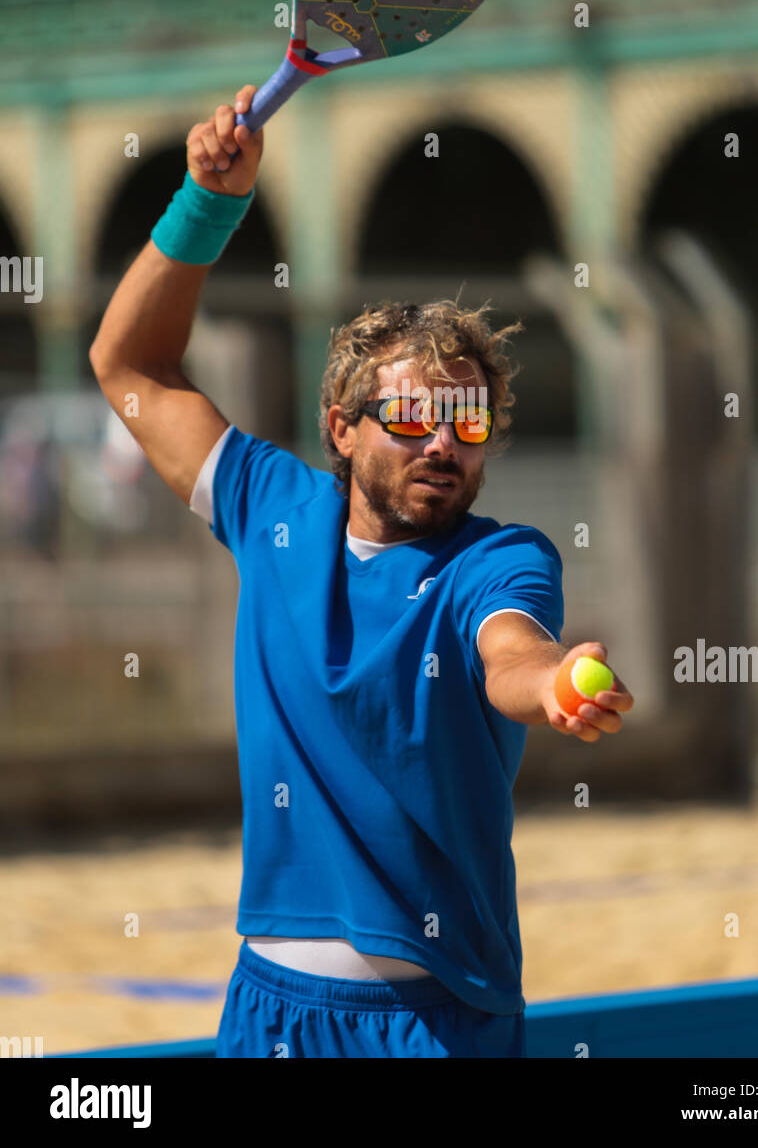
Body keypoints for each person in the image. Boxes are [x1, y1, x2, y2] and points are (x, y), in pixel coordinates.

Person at [89, 84, 633, 1058]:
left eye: (467, 425)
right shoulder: (272, 508)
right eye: (413, 419)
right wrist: (205, 202)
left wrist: (550, 683)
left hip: (432, 1020)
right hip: (269, 1008)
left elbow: (507, 653)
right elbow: (129, 365)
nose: (443, 446)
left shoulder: (495, 560)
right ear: (340, 428)